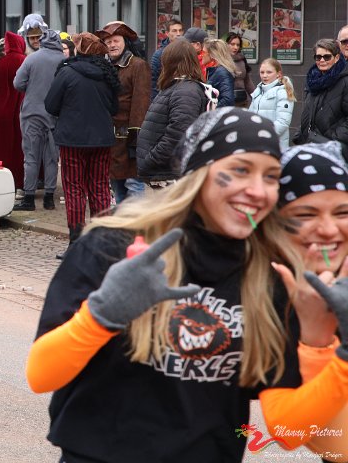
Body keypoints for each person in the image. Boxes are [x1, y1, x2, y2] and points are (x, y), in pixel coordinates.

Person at [27, 107, 348, 462]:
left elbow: (290, 431)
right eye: (240, 170)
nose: (258, 190)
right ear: (199, 174)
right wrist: (101, 315)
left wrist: (342, 357)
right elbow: (41, 375)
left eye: (271, 177)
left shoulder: (267, 275)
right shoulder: (118, 244)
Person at [275, 142, 348, 461]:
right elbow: (336, 446)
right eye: (305, 214)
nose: (329, 229)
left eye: (343, 212)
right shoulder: (278, 299)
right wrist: (318, 338)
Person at [44, 33, 119, 250]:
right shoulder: (108, 73)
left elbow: (50, 105)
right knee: (100, 187)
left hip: (72, 139)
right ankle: (100, 240)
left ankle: (76, 241)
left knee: (74, 188)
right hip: (101, 139)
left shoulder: (67, 72)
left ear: (80, 50)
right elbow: (114, 107)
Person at [136, 39, 210, 187]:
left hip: (169, 175)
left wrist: (151, 160)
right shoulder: (179, 88)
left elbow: (178, 134)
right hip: (165, 173)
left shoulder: (185, 91)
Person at [97, 21, 150, 204]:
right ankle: (122, 220)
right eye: (108, 42)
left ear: (125, 42)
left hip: (129, 138)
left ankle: (137, 221)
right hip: (110, 137)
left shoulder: (138, 65)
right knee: (116, 185)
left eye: (116, 41)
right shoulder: (105, 66)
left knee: (134, 185)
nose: (112, 45)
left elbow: (141, 103)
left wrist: (136, 138)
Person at [13, 24, 63, 211]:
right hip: (56, 115)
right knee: (52, 157)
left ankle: (29, 199)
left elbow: (18, 83)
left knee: (31, 156)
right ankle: (49, 198)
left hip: (32, 114)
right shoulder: (64, 60)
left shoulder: (32, 59)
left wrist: (32, 88)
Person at [294, 38, 348, 158]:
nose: (322, 60)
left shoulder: (345, 81)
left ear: (337, 58)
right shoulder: (312, 81)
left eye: (327, 57)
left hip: (333, 150)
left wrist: (333, 139)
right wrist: (300, 135)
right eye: (318, 57)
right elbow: (308, 112)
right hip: (310, 146)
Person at [0, 32, 26, 194]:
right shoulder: (24, 61)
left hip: (1, 112)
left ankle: (0, 181)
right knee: (19, 149)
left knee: (2, 146)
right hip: (20, 110)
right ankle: (20, 182)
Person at [248, 58, 295, 151]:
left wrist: (263, 134)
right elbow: (249, 116)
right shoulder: (258, 91)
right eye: (262, 72)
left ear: (278, 74)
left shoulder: (282, 92)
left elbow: (283, 122)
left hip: (274, 145)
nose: (265, 75)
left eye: (269, 72)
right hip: (256, 143)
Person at [150, 19, 183, 99]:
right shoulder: (159, 55)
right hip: (165, 97)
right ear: (167, 33)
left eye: (180, 30)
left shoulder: (187, 51)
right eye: (174, 31)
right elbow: (153, 81)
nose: (178, 34)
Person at [201, 38, 237, 108]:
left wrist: (211, 110)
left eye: (203, 52)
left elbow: (228, 100)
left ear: (212, 54)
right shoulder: (217, 71)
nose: (201, 55)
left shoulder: (222, 72)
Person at [226, 33, 255, 106]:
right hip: (227, 101)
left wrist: (256, 96)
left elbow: (248, 81)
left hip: (243, 100)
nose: (235, 47)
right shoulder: (221, 60)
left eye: (238, 45)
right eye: (232, 44)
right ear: (226, 44)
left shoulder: (242, 59)